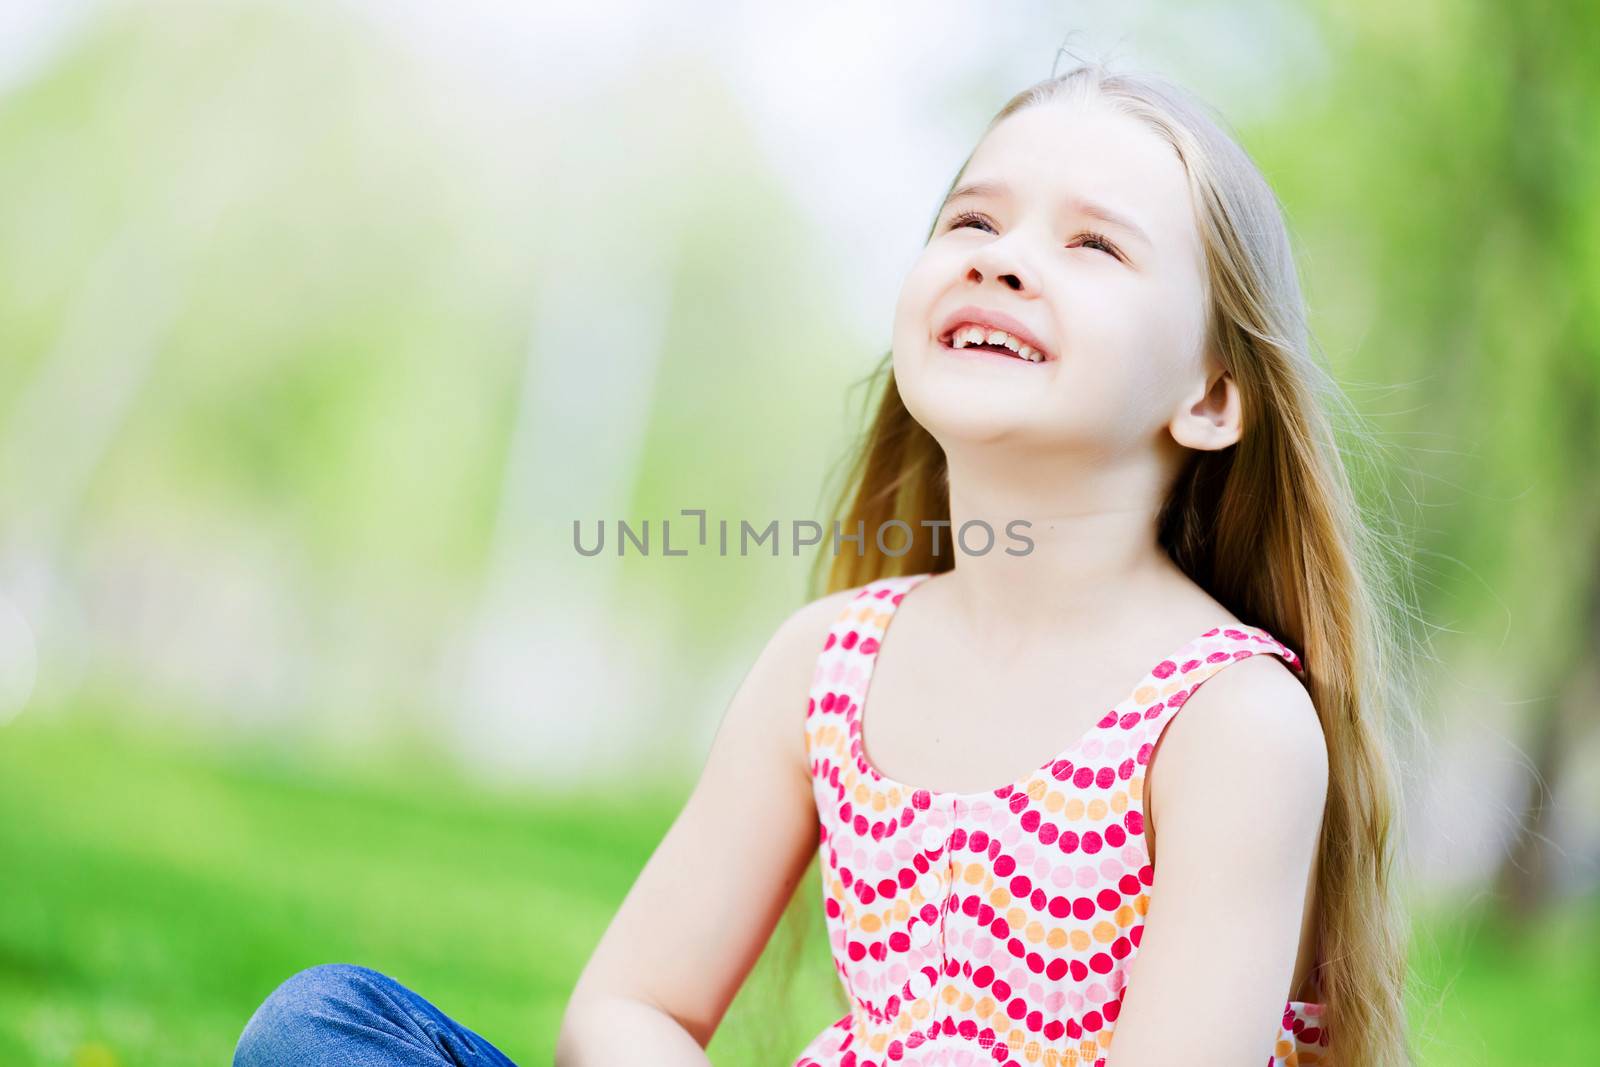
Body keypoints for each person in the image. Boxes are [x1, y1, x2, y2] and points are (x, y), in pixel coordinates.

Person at [237, 57, 1416, 1067]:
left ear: (1212, 396)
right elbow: (626, 1004)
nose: (1002, 260)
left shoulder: (1231, 719)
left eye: (1094, 245)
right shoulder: (830, 661)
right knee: (325, 1022)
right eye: (971, 221)